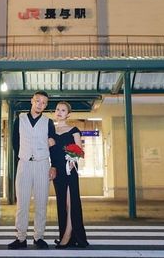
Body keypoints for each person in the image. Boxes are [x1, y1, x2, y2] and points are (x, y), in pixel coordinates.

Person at [8, 91, 57, 249]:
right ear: (32, 101)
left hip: (42, 164)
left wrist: (54, 165)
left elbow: (52, 145)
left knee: (41, 203)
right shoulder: (20, 119)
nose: (40, 104)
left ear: (46, 105)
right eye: (38, 101)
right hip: (24, 164)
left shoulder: (48, 122)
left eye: (44, 102)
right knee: (22, 204)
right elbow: (15, 141)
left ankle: (38, 237)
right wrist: (22, 157)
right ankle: (21, 238)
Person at [49, 101, 89, 248]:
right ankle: (66, 235)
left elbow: (80, 151)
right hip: (57, 171)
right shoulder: (50, 132)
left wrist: (73, 159)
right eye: (58, 109)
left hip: (69, 169)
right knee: (62, 203)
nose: (59, 112)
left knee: (70, 202)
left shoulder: (74, 130)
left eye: (63, 110)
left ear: (68, 114)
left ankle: (67, 236)